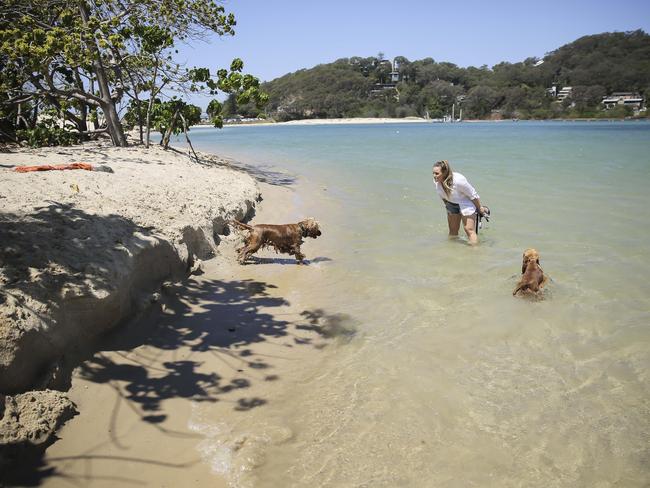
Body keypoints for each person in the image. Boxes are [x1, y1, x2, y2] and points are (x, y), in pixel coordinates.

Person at [432, 160, 488, 245]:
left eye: (437, 173)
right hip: (451, 204)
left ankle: (475, 253)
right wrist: (447, 206)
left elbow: (473, 195)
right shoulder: (437, 181)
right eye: (433, 173)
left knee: (469, 230)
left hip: (465, 204)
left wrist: (479, 208)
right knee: (453, 232)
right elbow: (443, 196)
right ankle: (452, 251)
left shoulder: (458, 180)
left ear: (444, 172)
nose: (434, 176)